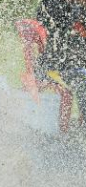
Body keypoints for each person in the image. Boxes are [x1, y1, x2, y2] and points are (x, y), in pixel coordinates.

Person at [36, 0, 86, 129]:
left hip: (74, 66)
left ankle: (80, 127)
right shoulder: (53, 5)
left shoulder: (77, 8)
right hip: (52, 68)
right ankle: (64, 132)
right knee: (79, 84)